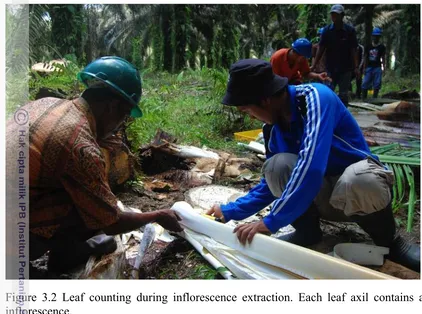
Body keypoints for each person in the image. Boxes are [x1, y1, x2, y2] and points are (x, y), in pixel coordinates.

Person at [206, 58, 420, 272]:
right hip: (323, 199)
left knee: (360, 178)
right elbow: (268, 184)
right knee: (276, 166)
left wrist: (271, 222)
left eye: (247, 110)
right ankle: (307, 232)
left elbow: (312, 165)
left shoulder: (315, 98)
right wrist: (229, 211)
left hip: (359, 198)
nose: (251, 118)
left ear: (264, 100)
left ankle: (390, 242)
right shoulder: (273, 129)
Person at [6, 56, 183, 273]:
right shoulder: (80, 147)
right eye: (124, 117)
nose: (120, 126)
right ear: (112, 107)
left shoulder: (46, 104)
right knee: (90, 204)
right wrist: (157, 215)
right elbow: (111, 222)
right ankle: (56, 259)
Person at [312, 4, 359, 107]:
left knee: (343, 94)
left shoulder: (350, 31)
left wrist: (356, 67)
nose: (334, 17)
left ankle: (343, 115)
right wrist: (314, 65)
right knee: (328, 92)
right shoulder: (327, 30)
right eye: (332, 14)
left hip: (346, 67)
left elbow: (353, 49)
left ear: (342, 16)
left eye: (336, 15)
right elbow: (321, 48)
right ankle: (329, 112)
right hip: (330, 67)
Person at [361, 27, 386, 99]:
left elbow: (383, 57)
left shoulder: (382, 47)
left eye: (378, 36)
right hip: (369, 67)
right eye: (375, 36)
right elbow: (365, 57)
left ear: (379, 37)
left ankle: (375, 98)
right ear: (372, 36)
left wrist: (384, 68)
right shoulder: (368, 46)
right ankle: (364, 98)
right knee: (365, 82)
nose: (376, 38)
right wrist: (364, 68)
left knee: (377, 83)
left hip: (377, 67)